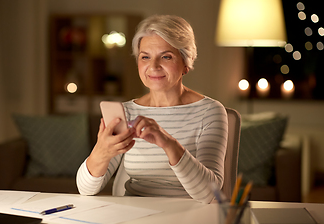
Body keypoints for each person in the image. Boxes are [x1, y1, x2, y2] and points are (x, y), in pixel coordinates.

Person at [76, 15, 228, 204]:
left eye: (166, 56)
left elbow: (209, 194)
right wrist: (102, 152)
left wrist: (168, 143)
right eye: (145, 57)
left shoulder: (209, 111)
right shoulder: (126, 112)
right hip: (134, 214)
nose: (153, 66)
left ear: (186, 64)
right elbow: (85, 189)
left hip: (189, 214)